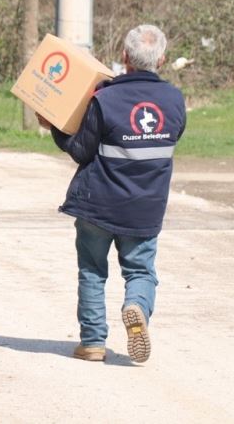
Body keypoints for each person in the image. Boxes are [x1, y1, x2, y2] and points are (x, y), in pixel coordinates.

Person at [36, 24, 186, 363]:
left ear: (123, 57)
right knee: (141, 271)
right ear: (161, 59)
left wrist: (55, 127)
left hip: (98, 205)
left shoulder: (105, 98)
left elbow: (81, 150)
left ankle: (92, 342)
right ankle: (137, 306)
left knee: (92, 269)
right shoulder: (175, 101)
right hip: (145, 208)